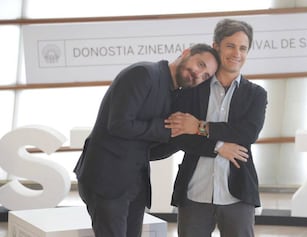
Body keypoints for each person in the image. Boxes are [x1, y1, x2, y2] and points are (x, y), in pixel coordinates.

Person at [73, 43, 220, 237]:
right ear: (186, 53)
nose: (198, 75)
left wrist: (184, 135)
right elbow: (119, 124)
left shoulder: (174, 94)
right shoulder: (143, 73)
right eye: (200, 64)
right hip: (106, 180)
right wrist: (167, 130)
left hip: (135, 184)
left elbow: (151, 149)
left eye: (205, 76)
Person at [152, 19, 268, 237]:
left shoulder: (256, 94)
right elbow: (179, 135)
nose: (237, 53)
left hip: (238, 193)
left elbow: (247, 134)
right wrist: (218, 147)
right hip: (194, 192)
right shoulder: (192, 88)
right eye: (230, 46)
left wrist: (199, 126)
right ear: (216, 47)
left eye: (243, 48)